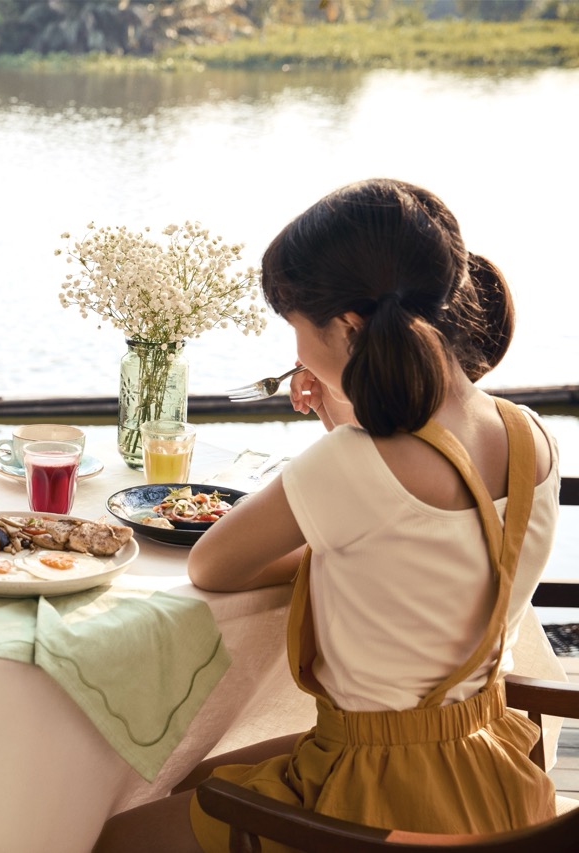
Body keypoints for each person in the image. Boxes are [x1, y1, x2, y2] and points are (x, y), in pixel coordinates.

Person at [92, 178, 560, 853]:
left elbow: (214, 562)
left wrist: (339, 438)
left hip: (376, 799)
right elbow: (406, 532)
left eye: (295, 328)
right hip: (490, 768)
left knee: (117, 837)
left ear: (347, 325)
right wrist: (346, 405)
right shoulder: (532, 437)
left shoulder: (350, 463)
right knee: (199, 777)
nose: (297, 354)